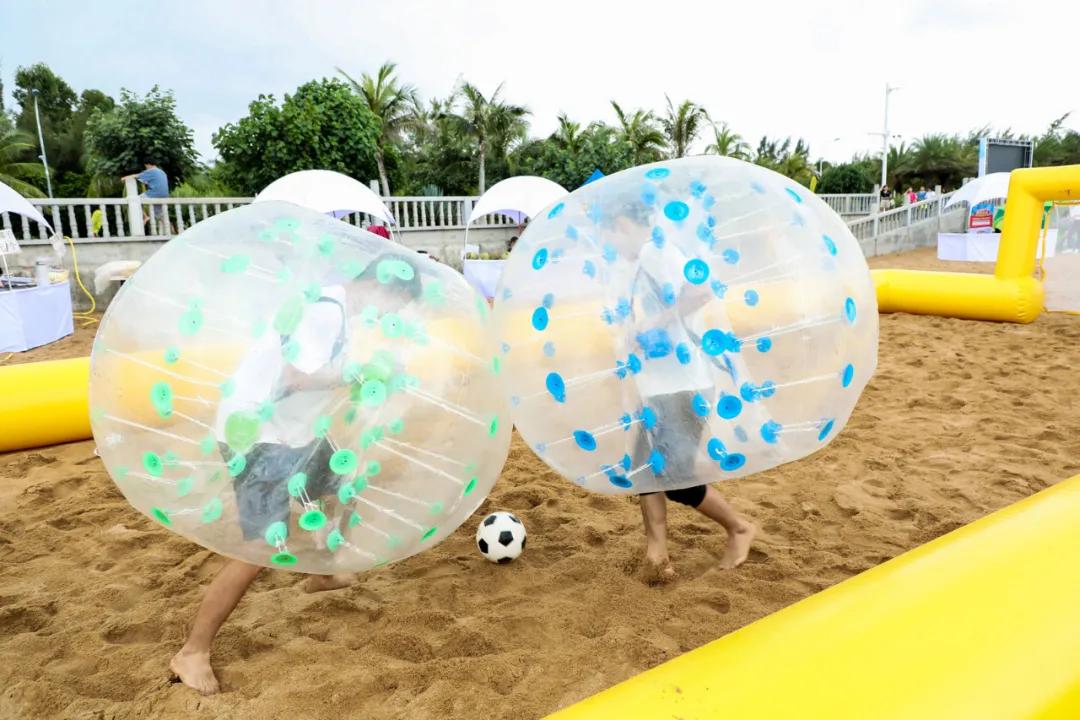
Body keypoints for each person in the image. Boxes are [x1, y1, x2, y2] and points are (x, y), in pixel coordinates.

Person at [170, 253, 422, 695]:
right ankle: (192, 650)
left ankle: (322, 572)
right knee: (258, 550)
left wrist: (363, 375)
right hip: (256, 432)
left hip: (294, 430)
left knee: (345, 485)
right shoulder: (326, 311)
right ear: (387, 287)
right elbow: (295, 377)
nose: (393, 315)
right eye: (397, 305)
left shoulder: (339, 310)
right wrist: (357, 375)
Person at [623, 220, 755, 582]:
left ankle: (739, 527)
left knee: (677, 478)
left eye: (608, 230)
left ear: (624, 221)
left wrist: (655, 322)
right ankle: (658, 555)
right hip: (656, 383)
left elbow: (702, 289)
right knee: (643, 467)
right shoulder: (636, 261)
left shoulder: (657, 251)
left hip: (684, 384)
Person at [122, 161, 171, 234]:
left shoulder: (151, 171)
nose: (146, 168)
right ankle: (172, 232)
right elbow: (150, 181)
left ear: (147, 164)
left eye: (145, 166)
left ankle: (145, 217)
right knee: (161, 215)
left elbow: (137, 175)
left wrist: (125, 178)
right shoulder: (162, 172)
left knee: (136, 201)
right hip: (164, 195)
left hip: (154, 193)